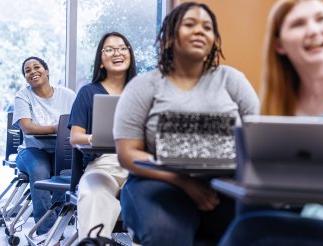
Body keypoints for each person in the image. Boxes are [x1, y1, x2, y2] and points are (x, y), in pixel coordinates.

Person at [220, 0, 323, 245]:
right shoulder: (283, 106)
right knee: (248, 215)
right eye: (298, 23)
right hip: (314, 222)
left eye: (321, 19)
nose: (313, 30)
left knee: (249, 230)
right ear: (279, 45)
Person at [113, 2, 260, 245]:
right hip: (156, 182)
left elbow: (257, 138)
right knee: (167, 235)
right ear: (170, 37)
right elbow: (127, 154)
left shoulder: (232, 80)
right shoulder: (143, 86)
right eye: (190, 24)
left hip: (225, 181)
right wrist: (183, 181)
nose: (200, 31)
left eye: (207, 27)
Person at [68, 31, 137, 240]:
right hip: (104, 164)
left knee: (162, 196)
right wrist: (93, 138)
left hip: (140, 165)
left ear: (130, 55)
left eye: (122, 48)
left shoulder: (142, 91)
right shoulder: (88, 92)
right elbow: (75, 137)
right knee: (94, 194)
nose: (117, 52)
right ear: (100, 61)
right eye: (110, 49)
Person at [13, 56, 76, 235]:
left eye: (37, 67)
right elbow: (27, 127)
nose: (33, 71)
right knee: (40, 171)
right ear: (25, 77)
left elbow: (79, 123)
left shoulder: (68, 95)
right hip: (32, 151)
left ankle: (57, 226)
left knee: (67, 172)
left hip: (61, 150)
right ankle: (45, 233)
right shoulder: (23, 95)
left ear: (46, 71)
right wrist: (57, 128)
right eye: (27, 70)